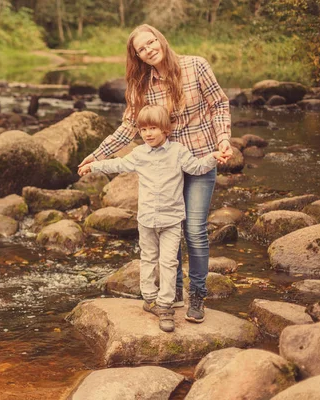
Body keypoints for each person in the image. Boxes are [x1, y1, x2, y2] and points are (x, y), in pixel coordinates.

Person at [78, 24, 232, 324]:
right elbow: (128, 128)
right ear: (138, 56)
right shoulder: (141, 84)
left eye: (151, 42)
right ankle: (172, 291)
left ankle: (197, 295)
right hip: (166, 165)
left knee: (195, 229)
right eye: (142, 49)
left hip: (199, 157)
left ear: (161, 38)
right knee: (167, 225)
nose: (149, 49)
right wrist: (97, 156)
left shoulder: (196, 65)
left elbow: (219, 104)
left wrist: (223, 138)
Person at [79, 105, 226, 332]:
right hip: (146, 219)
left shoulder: (178, 151)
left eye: (153, 128)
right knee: (148, 259)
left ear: (166, 129)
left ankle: (165, 305)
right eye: (143, 129)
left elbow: (196, 168)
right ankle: (149, 298)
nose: (148, 133)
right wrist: (93, 166)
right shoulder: (139, 154)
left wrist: (213, 157)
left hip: (171, 220)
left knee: (169, 262)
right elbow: (117, 164)